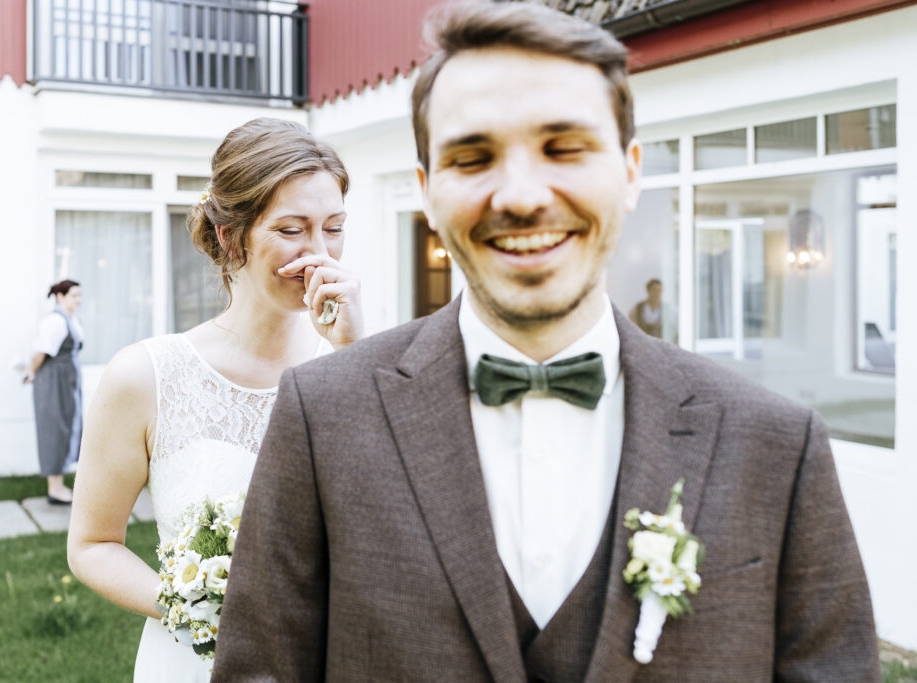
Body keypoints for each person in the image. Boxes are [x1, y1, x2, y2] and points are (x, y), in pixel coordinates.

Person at [211, 3, 878, 681]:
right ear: (428, 192)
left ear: (630, 171)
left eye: (565, 148)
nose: (522, 197)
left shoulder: (777, 445)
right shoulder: (321, 415)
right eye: (473, 157)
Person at [66, 117, 364, 681]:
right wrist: (198, 608)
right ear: (230, 236)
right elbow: (92, 545)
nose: (319, 252)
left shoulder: (356, 361)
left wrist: (354, 359)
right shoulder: (144, 377)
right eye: (292, 229)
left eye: (334, 228)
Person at [24, 279, 84, 504]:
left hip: (65, 380)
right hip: (53, 382)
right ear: (60, 297)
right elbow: (40, 352)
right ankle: (54, 489)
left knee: (66, 426)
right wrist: (31, 372)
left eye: (79, 295)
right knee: (54, 429)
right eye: (74, 295)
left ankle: (58, 485)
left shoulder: (70, 319)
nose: (78, 300)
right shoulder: (55, 322)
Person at [628, 278, 674, 342]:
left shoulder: (667, 309)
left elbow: (672, 328)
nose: (656, 293)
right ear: (648, 290)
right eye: (654, 290)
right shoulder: (638, 307)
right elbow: (631, 325)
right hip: (642, 341)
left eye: (659, 290)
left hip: (661, 342)